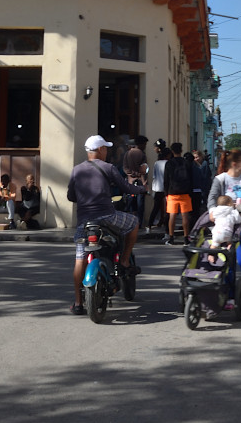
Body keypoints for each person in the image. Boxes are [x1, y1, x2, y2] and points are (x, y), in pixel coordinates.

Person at [66, 134, 146, 315]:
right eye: (106, 148)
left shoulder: (76, 170)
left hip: (84, 222)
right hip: (106, 216)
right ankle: (124, 260)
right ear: (100, 150)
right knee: (133, 223)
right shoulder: (108, 167)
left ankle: (78, 303)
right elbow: (126, 187)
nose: (107, 151)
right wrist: (142, 189)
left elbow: (71, 196)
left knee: (80, 259)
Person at [209, 150, 241, 290]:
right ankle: (229, 293)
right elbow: (211, 198)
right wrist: (212, 211)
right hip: (226, 225)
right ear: (234, 164)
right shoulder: (221, 179)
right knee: (228, 259)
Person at [164, 143, 194, 244]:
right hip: (185, 192)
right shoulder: (187, 163)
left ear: (172, 151)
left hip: (172, 192)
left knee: (172, 215)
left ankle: (171, 237)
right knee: (185, 216)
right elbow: (191, 178)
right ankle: (186, 238)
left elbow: (166, 180)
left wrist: (166, 193)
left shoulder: (169, 163)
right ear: (181, 151)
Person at [121, 135, 148, 225]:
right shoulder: (142, 154)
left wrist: (131, 174)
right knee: (140, 203)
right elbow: (145, 169)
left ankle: (129, 222)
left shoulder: (127, 154)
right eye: (144, 144)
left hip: (130, 182)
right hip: (140, 182)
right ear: (141, 144)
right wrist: (141, 178)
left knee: (130, 203)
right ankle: (139, 223)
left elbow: (125, 168)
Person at [146, 141, 168, 231]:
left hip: (158, 187)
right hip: (167, 188)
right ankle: (166, 225)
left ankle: (149, 225)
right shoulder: (168, 163)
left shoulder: (156, 163)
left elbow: (154, 176)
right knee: (167, 208)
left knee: (156, 207)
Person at [191, 149, 213, 216]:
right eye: (194, 157)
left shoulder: (204, 164)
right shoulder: (193, 165)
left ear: (201, 157)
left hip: (204, 188)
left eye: (197, 157)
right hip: (196, 188)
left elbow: (206, 176)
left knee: (204, 205)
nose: (196, 159)